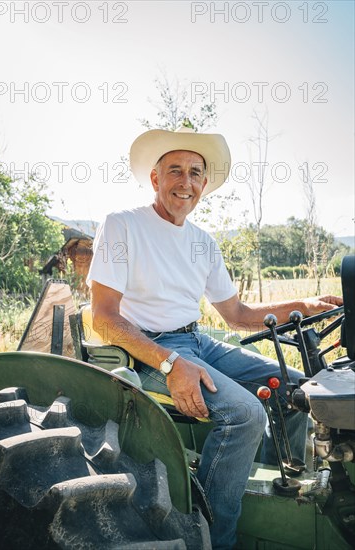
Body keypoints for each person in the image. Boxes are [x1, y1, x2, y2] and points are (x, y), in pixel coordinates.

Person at [87, 127, 342, 550]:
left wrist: (305, 302)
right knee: (244, 414)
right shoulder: (123, 226)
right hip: (147, 350)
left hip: (197, 341)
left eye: (195, 173)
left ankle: (260, 491)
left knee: (300, 389)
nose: (185, 183)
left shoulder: (203, 243)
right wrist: (170, 364)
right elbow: (104, 318)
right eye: (175, 171)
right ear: (155, 179)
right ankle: (212, 539)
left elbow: (238, 315)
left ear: (204, 183)